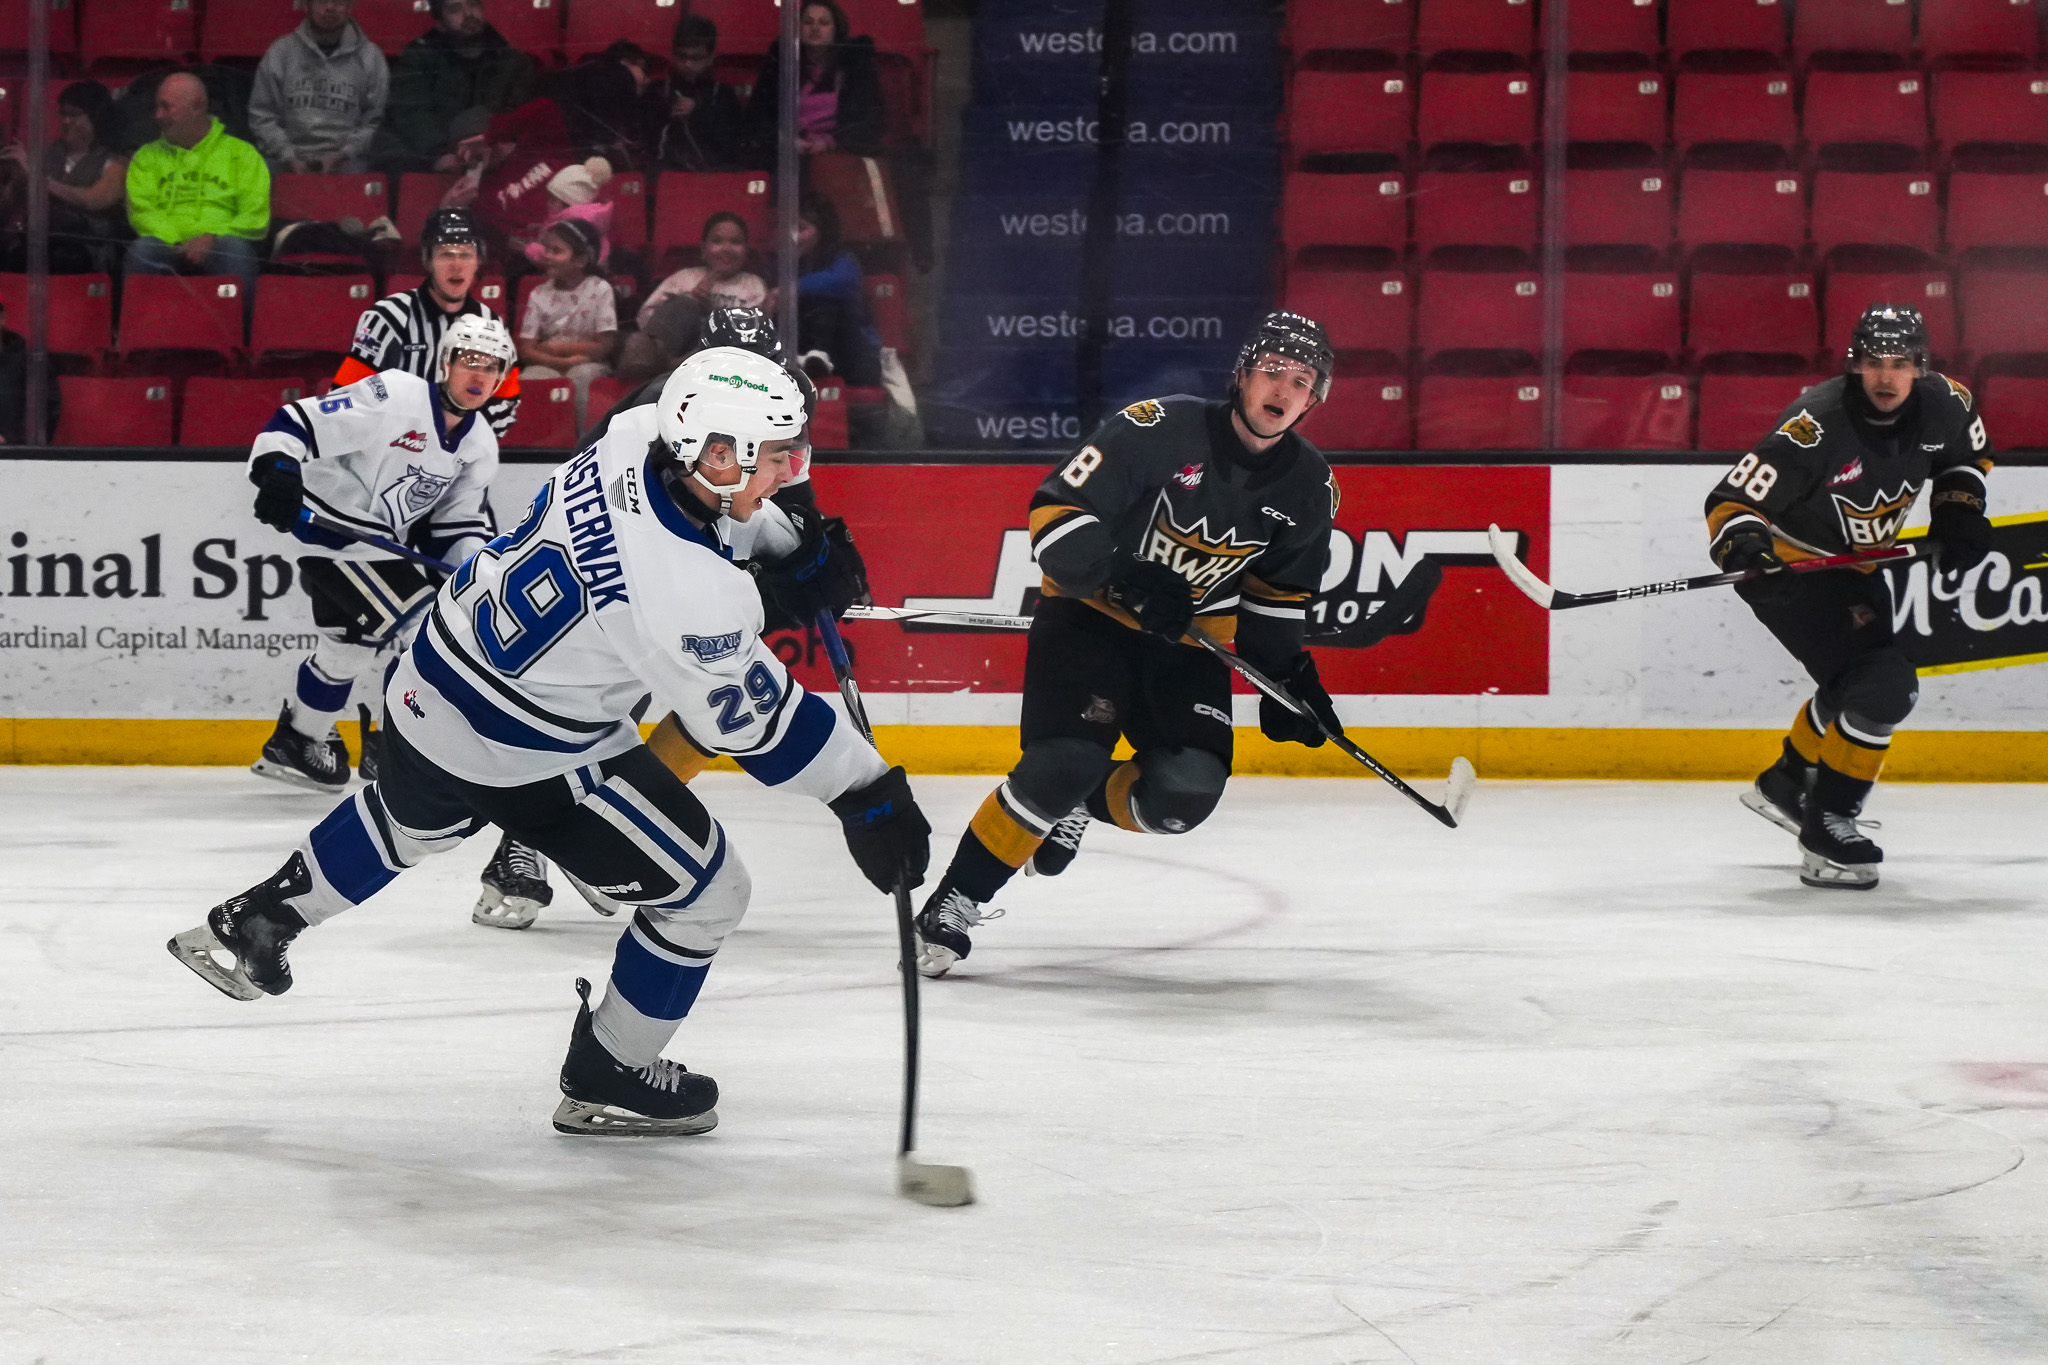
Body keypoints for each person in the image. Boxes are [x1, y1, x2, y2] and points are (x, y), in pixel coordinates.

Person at [169, 346, 932, 1139]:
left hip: (430, 678)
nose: (789, 471)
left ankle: (263, 916)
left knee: (408, 818)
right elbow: (759, 727)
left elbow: (697, 534)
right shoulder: (686, 596)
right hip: (527, 751)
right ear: (716, 452)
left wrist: (785, 547)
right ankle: (612, 1069)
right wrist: (870, 793)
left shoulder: (636, 433)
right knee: (709, 894)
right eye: (777, 457)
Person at [911, 312, 1343, 978]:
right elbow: (1052, 515)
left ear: (1314, 399)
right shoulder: (1156, 427)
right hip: (1090, 618)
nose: (1282, 388)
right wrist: (1125, 574)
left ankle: (1079, 804)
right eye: (1272, 372)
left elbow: (1274, 603)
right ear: (1243, 376)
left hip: (1188, 645)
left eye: (1301, 379)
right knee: (1062, 761)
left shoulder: (1309, 489)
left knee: (1182, 798)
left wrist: (1289, 680)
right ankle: (955, 900)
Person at [471, 304, 851, 931]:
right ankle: (528, 844)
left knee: (706, 709)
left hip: (698, 568)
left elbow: (788, 500)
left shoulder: (786, 400)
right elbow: (601, 510)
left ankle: (562, 836)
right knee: (597, 717)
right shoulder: (655, 412)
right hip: (618, 579)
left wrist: (809, 554)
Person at [1708, 304, 1995, 890]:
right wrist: (1746, 552)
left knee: (1856, 683)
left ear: (1921, 366)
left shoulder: (1949, 402)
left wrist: (1958, 509)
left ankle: (1788, 782)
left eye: (1901, 363)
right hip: (1788, 569)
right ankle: (1827, 826)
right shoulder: (1814, 425)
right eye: (1873, 363)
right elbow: (1731, 501)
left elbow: (1966, 460)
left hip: (1856, 568)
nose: (1887, 378)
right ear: (1854, 365)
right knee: (1884, 685)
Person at [243, 313, 511, 792]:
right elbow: (298, 421)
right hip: (333, 533)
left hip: (375, 546)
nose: (479, 374)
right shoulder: (395, 395)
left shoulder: (480, 442)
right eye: (470, 359)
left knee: (346, 647)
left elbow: (456, 524)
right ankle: (394, 748)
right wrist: (278, 469)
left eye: (492, 366)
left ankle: (297, 743)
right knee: (428, 624)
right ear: (446, 362)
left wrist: (476, 569)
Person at [337, 207, 522, 442]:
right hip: (389, 454)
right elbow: (348, 393)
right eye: (446, 254)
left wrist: (458, 438)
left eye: (465, 255)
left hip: (461, 457)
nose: (456, 265)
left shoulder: (492, 323)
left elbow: (506, 402)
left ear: (478, 261)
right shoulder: (386, 318)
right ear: (428, 260)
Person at [123, 72, 269, 302]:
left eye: (166, 107)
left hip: (221, 244)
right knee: (143, 250)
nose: (158, 115)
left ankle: (241, 337)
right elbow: (142, 214)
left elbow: (255, 218)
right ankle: (140, 336)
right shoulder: (145, 157)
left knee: (235, 251)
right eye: (157, 107)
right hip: (166, 243)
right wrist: (182, 240)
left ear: (197, 106)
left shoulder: (242, 154)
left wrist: (211, 237)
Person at [377, 0, 536, 174]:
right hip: (437, 159)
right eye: (455, 9)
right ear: (440, 25)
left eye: (473, 4)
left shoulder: (513, 62)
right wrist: (439, 154)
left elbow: (519, 115)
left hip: (498, 160)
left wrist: (502, 143)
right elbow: (410, 112)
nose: (468, 13)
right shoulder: (417, 58)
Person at [619, 211, 767, 383]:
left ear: (746, 250)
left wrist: (712, 313)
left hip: (717, 361)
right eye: (717, 241)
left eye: (735, 242)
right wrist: (689, 302)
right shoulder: (683, 277)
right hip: (672, 348)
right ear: (704, 249)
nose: (726, 248)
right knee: (684, 303)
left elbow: (751, 336)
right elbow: (646, 317)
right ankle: (652, 361)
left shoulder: (753, 285)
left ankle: (670, 370)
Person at [247, 0, 389, 175]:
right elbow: (262, 117)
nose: (330, 8)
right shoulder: (280, 52)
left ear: (350, 7)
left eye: (338, 2)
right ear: (306, 5)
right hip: (285, 159)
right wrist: (289, 155)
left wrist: (343, 154)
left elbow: (375, 121)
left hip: (348, 162)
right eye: (322, 1)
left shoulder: (371, 57)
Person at [742, 0, 883, 164]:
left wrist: (829, 143)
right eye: (808, 22)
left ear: (836, 29)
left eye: (824, 23)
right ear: (798, 28)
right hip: (788, 158)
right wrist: (785, 141)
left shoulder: (856, 67)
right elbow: (758, 117)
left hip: (842, 156)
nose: (815, 28)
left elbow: (869, 122)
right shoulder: (781, 64)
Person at [517, 216, 616, 429]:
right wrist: (564, 363)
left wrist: (556, 347)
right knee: (531, 379)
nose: (548, 256)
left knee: (583, 377)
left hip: (588, 363)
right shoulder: (538, 294)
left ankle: (584, 447)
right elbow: (527, 350)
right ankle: (536, 450)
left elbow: (604, 347)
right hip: (546, 363)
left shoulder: (600, 290)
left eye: (557, 251)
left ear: (580, 260)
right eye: (547, 250)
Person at [791, 192, 881, 388]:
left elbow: (841, 282)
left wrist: (793, 289)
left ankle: (818, 357)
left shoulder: (842, 258)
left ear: (822, 230)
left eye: (801, 228)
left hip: (853, 358)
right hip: (805, 352)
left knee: (824, 300)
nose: (793, 237)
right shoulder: (789, 264)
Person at [653, 15, 747, 172]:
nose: (687, 64)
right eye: (682, 56)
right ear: (673, 53)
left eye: (696, 58)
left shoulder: (723, 94)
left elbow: (732, 144)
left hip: (715, 175)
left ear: (711, 57)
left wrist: (699, 113)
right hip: (668, 175)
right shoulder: (657, 91)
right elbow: (649, 144)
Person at [0, 298, 61, 444]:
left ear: (2, 319)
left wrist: (10, 439)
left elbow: (46, 409)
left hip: (17, 455)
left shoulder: (30, 361)